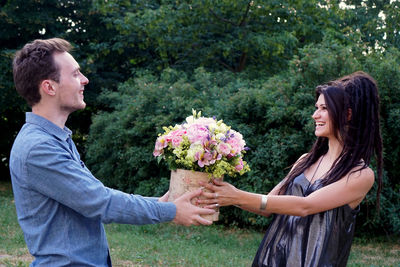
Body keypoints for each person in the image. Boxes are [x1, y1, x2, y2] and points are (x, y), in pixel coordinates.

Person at [9, 38, 214, 266]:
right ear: (49, 87)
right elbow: (101, 202)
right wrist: (169, 211)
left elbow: (94, 195)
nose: (85, 80)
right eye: (76, 74)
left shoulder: (56, 138)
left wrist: (162, 203)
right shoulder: (39, 148)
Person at [199, 71, 383, 266]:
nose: (315, 114)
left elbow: (305, 206)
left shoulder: (360, 175)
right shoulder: (306, 160)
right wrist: (221, 194)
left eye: (324, 108)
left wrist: (236, 196)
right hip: (272, 259)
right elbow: (267, 206)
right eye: (316, 107)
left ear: (347, 115)